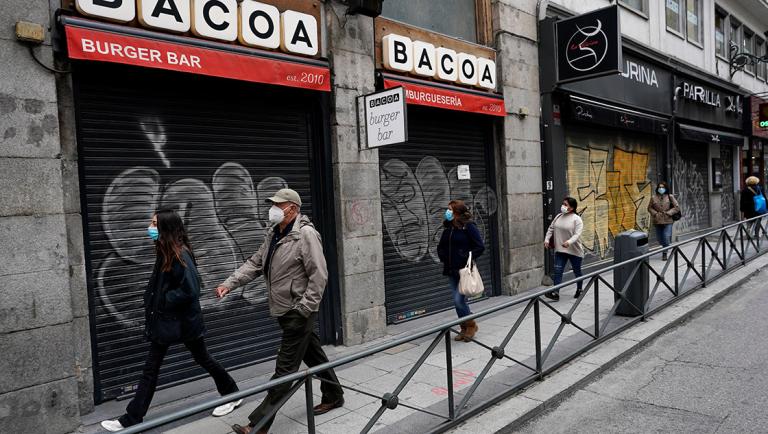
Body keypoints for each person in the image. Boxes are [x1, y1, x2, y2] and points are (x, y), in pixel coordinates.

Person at [215, 188, 343, 434]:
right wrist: (228, 284)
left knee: (284, 371)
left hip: (298, 312)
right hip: (284, 309)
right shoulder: (273, 233)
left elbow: (319, 275)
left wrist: (304, 308)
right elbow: (255, 263)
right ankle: (334, 394)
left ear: (292, 209)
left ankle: (259, 424)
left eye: (277, 204)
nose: (272, 208)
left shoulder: (305, 234)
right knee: (314, 354)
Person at [101, 209, 241, 432]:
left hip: (180, 322)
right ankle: (232, 392)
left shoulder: (179, 253)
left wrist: (164, 300)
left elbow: (192, 289)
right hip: (173, 321)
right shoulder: (166, 251)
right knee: (179, 363)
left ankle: (132, 418)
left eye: (155, 223)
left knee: (164, 366)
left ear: (166, 228)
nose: (150, 227)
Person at [437, 199, 485, 342]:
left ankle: (470, 326)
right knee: (458, 300)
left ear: (457, 212)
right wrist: (443, 256)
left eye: (450, 210)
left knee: (459, 300)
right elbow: (441, 246)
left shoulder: (468, 226)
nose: (447, 212)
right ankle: (464, 327)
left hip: (464, 270)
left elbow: (479, 246)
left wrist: (465, 257)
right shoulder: (448, 228)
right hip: (451, 270)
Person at [543, 197, 584, 301]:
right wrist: (547, 239)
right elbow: (551, 228)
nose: (563, 206)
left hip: (574, 250)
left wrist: (569, 242)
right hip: (560, 250)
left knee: (577, 271)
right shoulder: (559, 216)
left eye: (566, 204)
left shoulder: (577, 219)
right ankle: (556, 293)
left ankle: (579, 289)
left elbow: (577, 235)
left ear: (572, 207)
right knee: (558, 271)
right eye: (563, 204)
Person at [647, 181, 680, 261]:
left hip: (668, 220)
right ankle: (666, 246)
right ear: (657, 188)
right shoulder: (653, 198)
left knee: (666, 236)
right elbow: (649, 208)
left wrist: (669, 213)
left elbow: (677, 207)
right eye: (659, 187)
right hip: (657, 221)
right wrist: (655, 214)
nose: (661, 189)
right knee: (659, 239)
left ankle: (664, 253)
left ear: (665, 188)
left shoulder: (670, 196)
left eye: (663, 187)